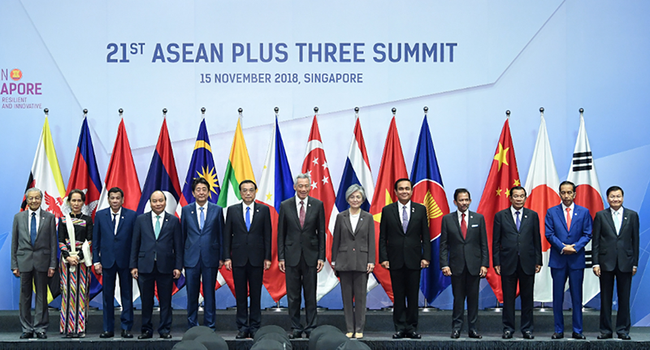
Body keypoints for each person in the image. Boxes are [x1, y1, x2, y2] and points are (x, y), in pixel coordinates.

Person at [379, 178, 431, 340]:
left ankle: (412, 328)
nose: (404, 191)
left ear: (411, 191)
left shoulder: (420, 210)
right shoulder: (387, 210)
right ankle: (400, 328)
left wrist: (426, 257)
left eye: (407, 188)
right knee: (399, 296)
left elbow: (426, 236)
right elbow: (382, 238)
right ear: (395, 192)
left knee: (413, 296)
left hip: (415, 260)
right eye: (401, 189)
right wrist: (384, 258)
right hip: (394, 260)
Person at [277, 173, 325, 339]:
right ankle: (296, 327)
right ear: (295, 187)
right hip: (291, 257)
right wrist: (281, 257)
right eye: (301, 186)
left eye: (306, 186)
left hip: (311, 257)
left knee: (310, 295)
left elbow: (321, 233)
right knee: (293, 295)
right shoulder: (285, 205)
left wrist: (321, 256)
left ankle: (311, 327)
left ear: (309, 187)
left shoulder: (318, 205)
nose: (303, 189)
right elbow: (281, 233)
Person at [130, 190, 182, 339]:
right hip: (144, 266)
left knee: (166, 300)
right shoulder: (141, 220)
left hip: (166, 266)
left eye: (160, 200)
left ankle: (165, 329)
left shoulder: (173, 221)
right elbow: (135, 244)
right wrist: (133, 266)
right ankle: (146, 329)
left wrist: (178, 266)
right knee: (146, 301)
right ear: (150, 203)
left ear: (165, 202)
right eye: (154, 201)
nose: (158, 204)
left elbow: (178, 246)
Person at [223, 180, 272, 339]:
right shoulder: (232, 210)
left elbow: (267, 235)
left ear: (255, 192)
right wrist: (226, 257)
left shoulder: (263, 210)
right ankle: (243, 327)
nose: (248, 193)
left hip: (257, 259)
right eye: (245, 190)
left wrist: (267, 257)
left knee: (256, 294)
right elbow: (227, 236)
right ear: (240, 193)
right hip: (238, 259)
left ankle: (255, 326)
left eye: (251, 190)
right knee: (241, 295)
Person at [493, 186, 542, 339]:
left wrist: (538, 260)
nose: (519, 199)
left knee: (527, 298)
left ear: (525, 198)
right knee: (508, 298)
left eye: (522, 196)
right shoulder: (501, 216)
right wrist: (496, 261)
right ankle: (508, 328)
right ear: (510, 198)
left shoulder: (532, 215)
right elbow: (496, 241)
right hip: (508, 262)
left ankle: (527, 329)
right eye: (516, 196)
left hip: (528, 262)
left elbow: (536, 239)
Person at [545, 180, 592, 340]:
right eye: (563, 192)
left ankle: (577, 330)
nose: (566, 195)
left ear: (574, 194)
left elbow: (587, 234)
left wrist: (575, 247)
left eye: (569, 192)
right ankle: (558, 330)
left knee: (577, 297)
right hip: (558, 260)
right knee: (558, 297)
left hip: (576, 259)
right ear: (560, 193)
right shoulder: (552, 212)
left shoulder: (584, 212)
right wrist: (563, 247)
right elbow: (549, 234)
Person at [440, 188, 488, 339]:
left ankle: (473, 329)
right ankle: (456, 328)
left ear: (470, 201)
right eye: (461, 200)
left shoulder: (478, 218)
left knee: (473, 300)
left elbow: (483, 244)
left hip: (474, 266)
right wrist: (444, 264)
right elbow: (443, 245)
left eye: (466, 199)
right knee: (458, 299)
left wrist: (484, 264)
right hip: (456, 266)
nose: (464, 202)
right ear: (455, 202)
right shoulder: (447, 219)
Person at [592, 186, 639, 340]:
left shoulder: (632, 215)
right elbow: (596, 241)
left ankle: (623, 330)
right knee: (605, 298)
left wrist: (634, 263)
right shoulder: (600, 215)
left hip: (626, 262)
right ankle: (605, 330)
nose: (615, 199)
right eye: (612, 196)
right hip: (605, 263)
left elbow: (635, 241)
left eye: (618, 196)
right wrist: (595, 263)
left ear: (623, 198)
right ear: (608, 199)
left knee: (624, 298)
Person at [11, 188, 57, 339]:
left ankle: (40, 328)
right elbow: (14, 243)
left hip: (42, 262)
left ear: (41, 199)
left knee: (41, 296)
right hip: (23, 261)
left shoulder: (49, 217)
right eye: (31, 198)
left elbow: (52, 243)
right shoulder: (18, 217)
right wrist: (14, 265)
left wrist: (52, 265)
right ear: (27, 200)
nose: (34, 201)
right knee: (24, 297)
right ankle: (26, 328)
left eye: (37, 198)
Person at [332, 184, 375, 339]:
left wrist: (371, 260)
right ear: (347, 199)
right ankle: (349, 328)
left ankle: (359, 328)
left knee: (361, 298)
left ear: (362, 199)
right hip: (343, 261)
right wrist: (334, 260)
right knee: (347, 297)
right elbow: (336, 240)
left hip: (362, 262)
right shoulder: (341, 216)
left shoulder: (368, 217)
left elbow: (371, 240)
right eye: (352, 197)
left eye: (358, 197)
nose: (355, 200)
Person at [92, 187, 137, 338]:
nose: (115, 200)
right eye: (112, 198)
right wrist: (96, 261)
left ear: (122, 200)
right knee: (107, 297)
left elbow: (134, 242)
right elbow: (96, 241)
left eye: (118, 198)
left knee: (127, 295)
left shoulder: (131, 215)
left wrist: (133, 263)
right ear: (108, 199)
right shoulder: (100, 216)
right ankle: (108, 329)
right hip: (107, 262)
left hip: (125, 263)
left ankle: (126, 328)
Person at [181, 177, 224, 330]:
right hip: (191, 258)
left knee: (209, 294)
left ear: (208, 192)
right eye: (198, 190)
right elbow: (182, 235)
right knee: (192, 294)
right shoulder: (186, 210)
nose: (201, 192)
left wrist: (221, 257)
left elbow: (221, 235)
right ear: (193, 192)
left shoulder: (217, 210)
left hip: (210, 258)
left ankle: (210, 326)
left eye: (204, 190)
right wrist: (180, 261)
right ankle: (192, 325)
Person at [58, 189, 94, 338]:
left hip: (82, 260)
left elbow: (89, 240)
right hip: (67, 262)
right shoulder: (63, 220)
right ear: (69, 202)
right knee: (68, 293)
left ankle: (79, 328)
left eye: (79, 201)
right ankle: (67, 328)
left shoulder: (87, 219)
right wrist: (68, 257)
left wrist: (78, 256)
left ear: (83, 202)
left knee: (81, 293)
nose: (76, 203)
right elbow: (60, 241)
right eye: (74, 200)